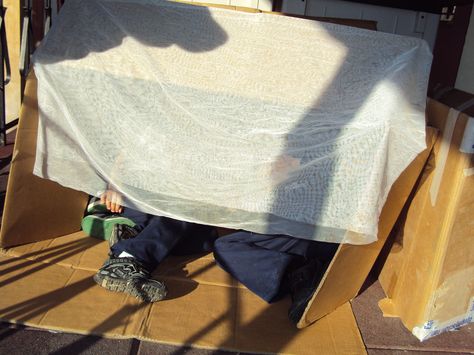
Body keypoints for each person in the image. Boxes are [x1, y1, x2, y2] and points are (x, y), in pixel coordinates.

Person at [91, 189, 338, 325]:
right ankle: (129, 245)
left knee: (206, 232)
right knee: (215, 242)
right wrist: (116, 181)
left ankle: (129, 245)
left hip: (303, 227)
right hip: (223, 217)